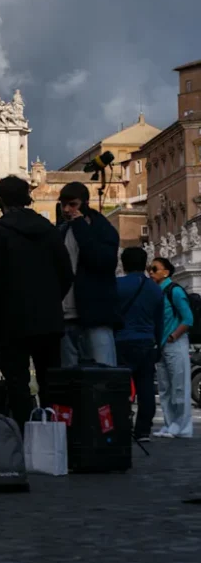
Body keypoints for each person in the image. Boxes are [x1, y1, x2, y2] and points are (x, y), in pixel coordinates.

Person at [0, 176, 74, 426]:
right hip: (49, 318)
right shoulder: (49, 229)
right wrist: (53, 299)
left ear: (0, 201)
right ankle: (54, 436)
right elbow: (66, 273)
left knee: (17, 383)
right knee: (50, 382)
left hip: (11, 320)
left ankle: (25, 435)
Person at [57, 182, 120, 367]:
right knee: (70, 380)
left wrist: (80, 226)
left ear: (85, 203)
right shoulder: (62, 231)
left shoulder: (102, 229)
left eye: (73, 204)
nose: (67, 210)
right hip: (66, 317)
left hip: (96, 316)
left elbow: (102, 261)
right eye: (63, 204)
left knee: (103, 375)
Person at [114, 247, 164, 443]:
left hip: (122, 341)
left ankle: (123, 423)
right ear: (145, 264)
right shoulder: (154, 289)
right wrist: (158, 344)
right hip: (146, 342)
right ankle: (143, 430)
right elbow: (159, 321)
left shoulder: (117, 285)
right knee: (145, 387)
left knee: (120, 387)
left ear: (124, 264)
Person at [148, 257, 194, 439]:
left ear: (166, 272)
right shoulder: (156, 292)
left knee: (179, 386)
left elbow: (188, 318)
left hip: (175, 343)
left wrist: (174, 335)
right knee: (165, 387)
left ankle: (182, 426)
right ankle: (169, 423)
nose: (150, 272)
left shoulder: (174, 291)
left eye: (154, 269)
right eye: (149, 269)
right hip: (161, 346)